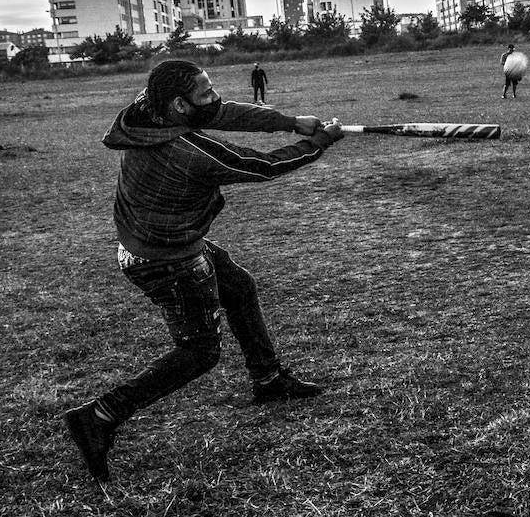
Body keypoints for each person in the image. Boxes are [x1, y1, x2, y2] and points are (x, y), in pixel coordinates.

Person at [63, 60, 344, 484]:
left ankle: (268, 379)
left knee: (238, 286)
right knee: (199, 351)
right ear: (179, 104)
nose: (214, 98)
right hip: (166, 257)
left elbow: (226, 111)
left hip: (160, 239)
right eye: (205, 93)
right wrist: (319, 142)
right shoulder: (186, 153)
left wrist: (289, 122)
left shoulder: (147, 113)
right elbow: (261, 167)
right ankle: (99, 416)